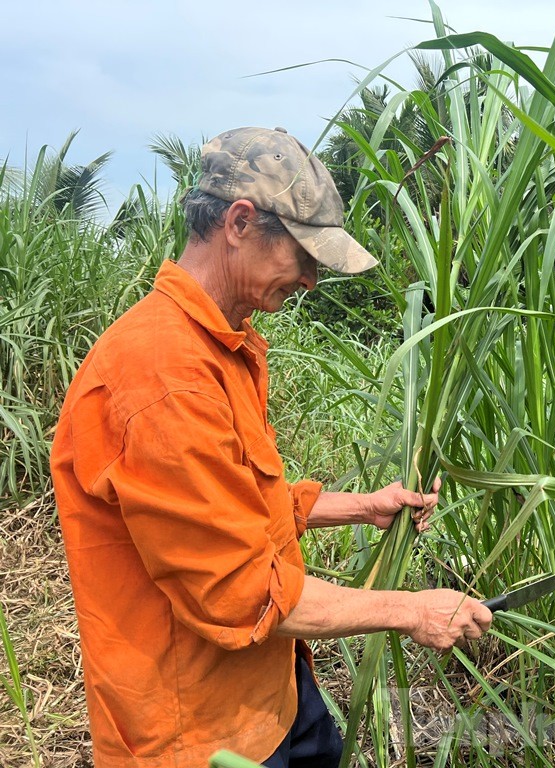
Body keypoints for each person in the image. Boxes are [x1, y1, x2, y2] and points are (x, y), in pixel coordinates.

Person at [50, 126, 492, 768]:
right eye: (305, 255)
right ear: (239, 222)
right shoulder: (162, 377)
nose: (311, 280)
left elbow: (233, 507)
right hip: (195, 734)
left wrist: (360, 506)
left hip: (272, 692)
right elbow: (240, 590)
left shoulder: (223, 346)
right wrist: (410, 610)